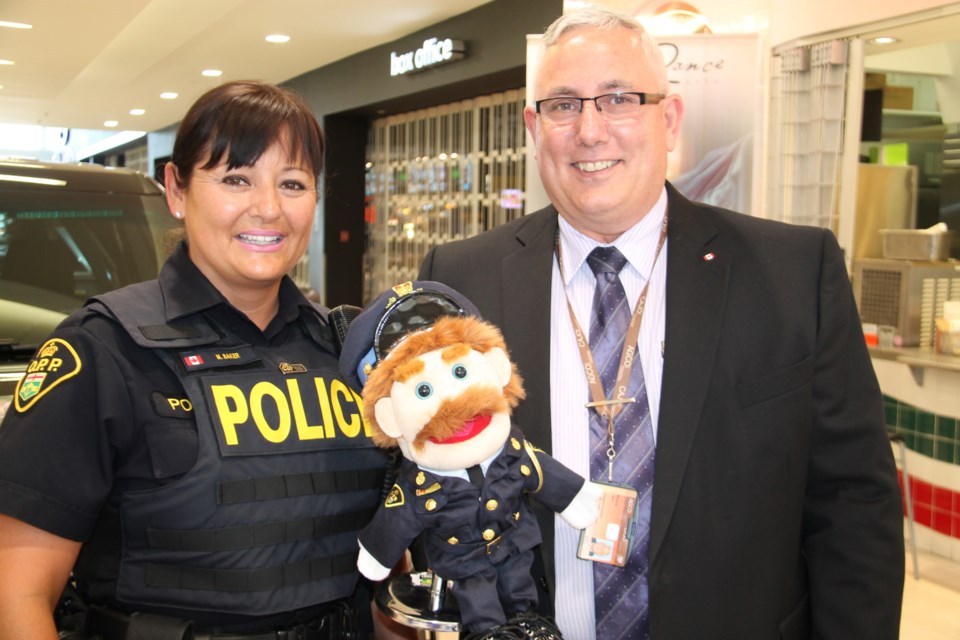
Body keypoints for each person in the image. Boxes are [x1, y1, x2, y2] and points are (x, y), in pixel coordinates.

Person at [418, 7, 904, 640]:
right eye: (563, 106)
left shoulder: (791, 273)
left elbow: (852, 504)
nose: (590, 131)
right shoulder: (462, 280)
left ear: (668, 120)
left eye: (619, 99)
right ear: (534, 128)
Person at [0, 80, 389, 640]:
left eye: (293, 183)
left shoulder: (348, 349)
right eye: (236, 178)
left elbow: (389, 562)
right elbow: (18, 593)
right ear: (177, 192)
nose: (269, 209)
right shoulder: (103, 350)